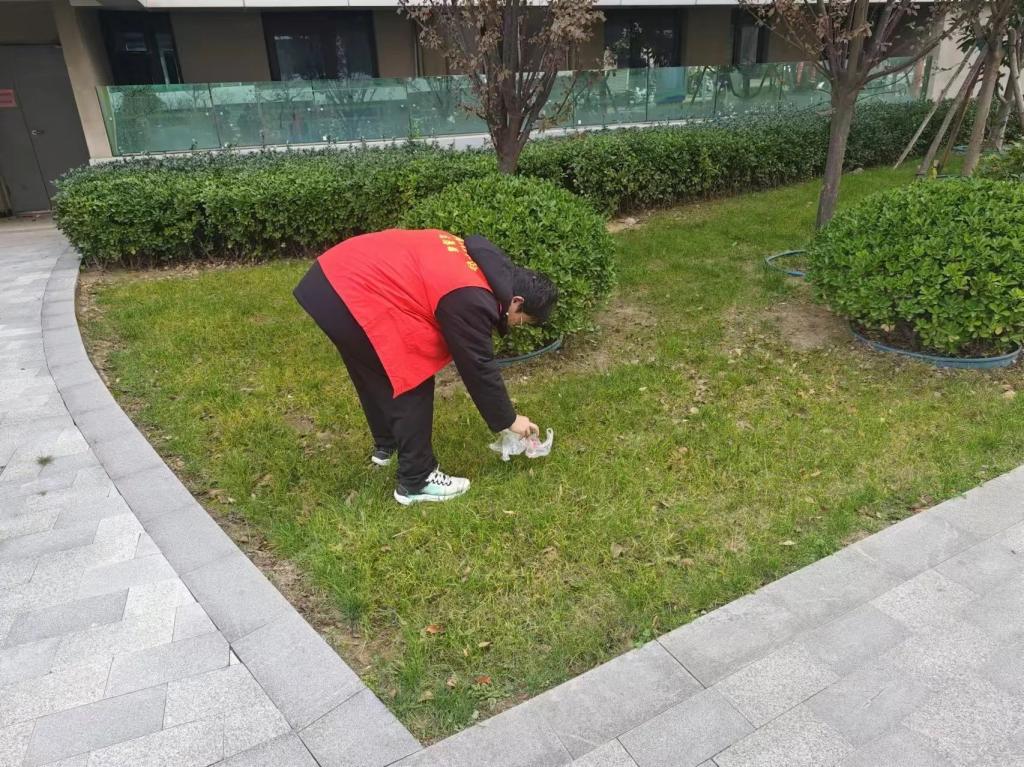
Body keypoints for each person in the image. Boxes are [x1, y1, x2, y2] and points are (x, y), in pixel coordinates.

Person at [293, 228, 558, 506]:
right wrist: (509, 420)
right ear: (517, 302)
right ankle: (417, 480)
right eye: (522, 320)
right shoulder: (472, 296)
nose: (516, 326)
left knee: (375, 367)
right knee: (413, 371)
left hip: (330, 280)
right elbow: (478, 366)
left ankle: (387, 444)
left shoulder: (479, 264)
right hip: (351, 289)